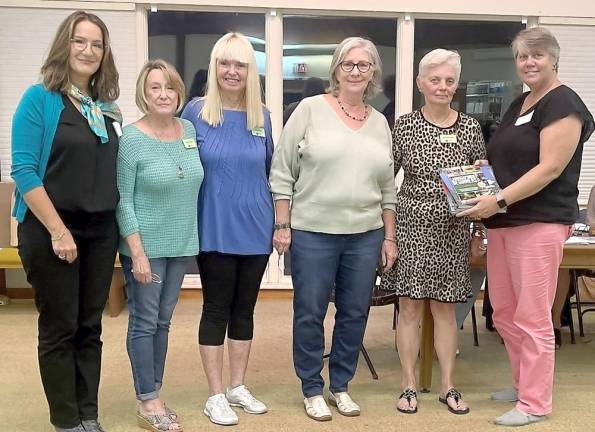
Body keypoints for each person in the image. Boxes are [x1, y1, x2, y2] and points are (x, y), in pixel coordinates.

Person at [458, 27, 594, 426]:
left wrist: (497, 198)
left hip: (539, 221)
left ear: (554, 58)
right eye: (522, 56)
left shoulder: (564, 102)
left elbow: (550, 168)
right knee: (503, 311)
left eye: (537, 55)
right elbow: (510, 158)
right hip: (503, 222)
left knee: (533, 316)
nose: (529, 63)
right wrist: (487, 175)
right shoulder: (521, 102)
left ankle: (536, 403)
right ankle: (523, 384)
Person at [270, 37, 397, 421]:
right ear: (336, 70)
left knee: (354, 312)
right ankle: (311, 387)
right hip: (312, 232)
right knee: (309, 312)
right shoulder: (309, 109)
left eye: (364, 65)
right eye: (348, 64)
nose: (356, 71)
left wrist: (389, 236)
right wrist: (282, 224)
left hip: (365, 233)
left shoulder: (378, 122)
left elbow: (387, 187)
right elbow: (281, 172)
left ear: (373, 71)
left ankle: (340, 385)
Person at [11, 11, 121, 432]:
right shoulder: (39, 98)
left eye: (97, 44)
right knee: (60, 327)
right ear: (65, 45)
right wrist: (59, 230)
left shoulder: (107, 110)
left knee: (89, 326)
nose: (88, 50)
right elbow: (24, 171)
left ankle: (87, 413)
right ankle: (65, 420)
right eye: (80, 41)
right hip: (50, 229)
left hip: (99, 231)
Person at [379, 49, 485, 416]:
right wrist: (386, 231)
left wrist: (477, 232)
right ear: (421, 83)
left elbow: (479, 187)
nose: (443, 87)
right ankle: (408, 384)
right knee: (408, 308)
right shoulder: (405, 124)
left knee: (445, 310)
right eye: (435, 79)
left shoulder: (470, 128)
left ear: (457, 85)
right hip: (410, 227)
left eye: (450, 80)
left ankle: (447, 387)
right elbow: (384, 180)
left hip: (453, 231)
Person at [181, 32, 274, 426]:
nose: (232, 71)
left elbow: (270, 170)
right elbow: (179, 168)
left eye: (240, 65)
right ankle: (215, 394)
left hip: (256, 227)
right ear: (215, 67)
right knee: (216, 308)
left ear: (251, 71)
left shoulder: (263, 116)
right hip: (215, 226)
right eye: (225, 63)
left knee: (245, 309)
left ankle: (237, 386)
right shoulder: (195, 112)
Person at [116, 59, 203, 432]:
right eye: (155, 87)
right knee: (145, 321)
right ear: (144, 94)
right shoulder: (131, 139)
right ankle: (147, 400)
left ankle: (155, 391)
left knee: (163, 322)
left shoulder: (187, 128)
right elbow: (122, 199)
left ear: (179, 92)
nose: (163, 94)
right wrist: (136, 252)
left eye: (169, 87)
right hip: (145, 247)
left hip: (180, 243)